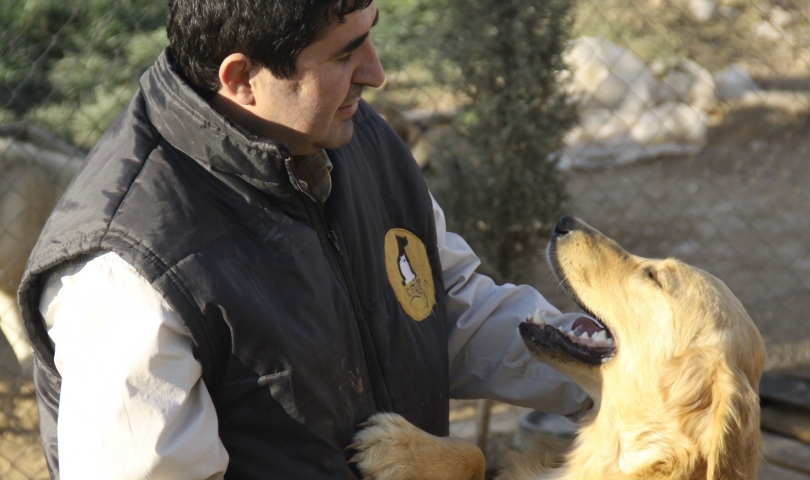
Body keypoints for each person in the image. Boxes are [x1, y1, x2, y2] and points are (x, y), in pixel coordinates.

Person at [18, 1, 590, 478]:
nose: (376, 72)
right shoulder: (125, 273)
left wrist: (629, 369)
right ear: (241, 79)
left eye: (369, 38)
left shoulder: (351, 136)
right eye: (345, 53)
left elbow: (451, 310)